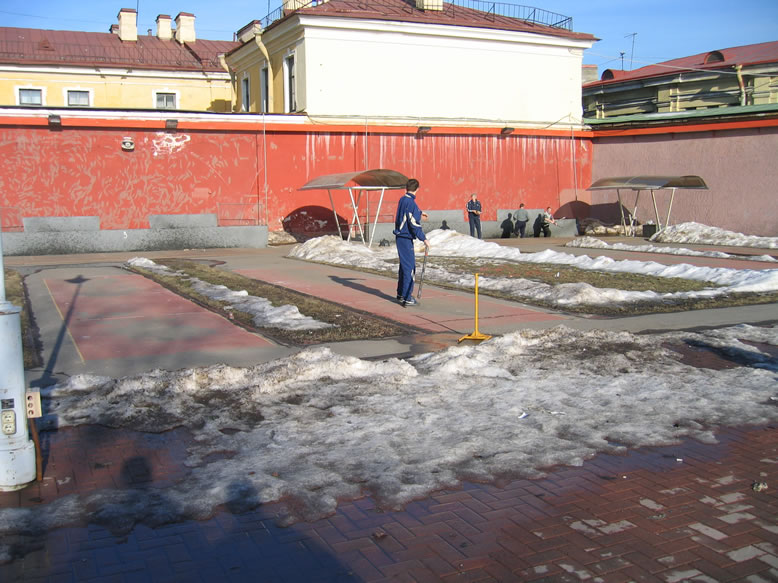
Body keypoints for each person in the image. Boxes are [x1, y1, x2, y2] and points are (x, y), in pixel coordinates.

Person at [393, 178, 430, 307]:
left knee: (404, 267)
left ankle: (401, 293)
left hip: (401, 237)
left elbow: (408, 213)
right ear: (417, 189)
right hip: (405, 238)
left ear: (406, 188)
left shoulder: (403, 199)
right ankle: (407, 297)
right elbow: (413, 223)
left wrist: (419, 213)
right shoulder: (410, 203)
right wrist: (424, 238)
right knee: (409, 268)